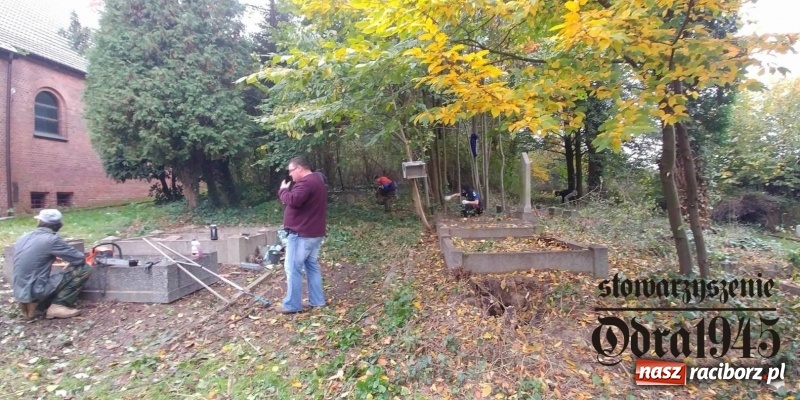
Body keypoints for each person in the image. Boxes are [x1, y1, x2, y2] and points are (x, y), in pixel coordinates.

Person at [12, 209, 91, 320]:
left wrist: (52, 257)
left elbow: (33, 258)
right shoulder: (52, 239)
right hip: (36, 292)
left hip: (19, 292)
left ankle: (32, 307)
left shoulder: (23, 238)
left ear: (39, 222)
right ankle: (59, 305)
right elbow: (79, 258)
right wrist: (66, 259)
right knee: (85, 268)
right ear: (59, 225)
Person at [277, 156, 328, 314]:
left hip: (302, 234)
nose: (290, 174)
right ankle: (317, 301)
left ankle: (292, 305)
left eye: (291, 171)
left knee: (292, 268)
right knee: (311, 266)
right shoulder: (317, 180)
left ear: (299, 168)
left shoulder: (307, 182)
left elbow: (294, 200)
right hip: (314, 233)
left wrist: (283, 190)